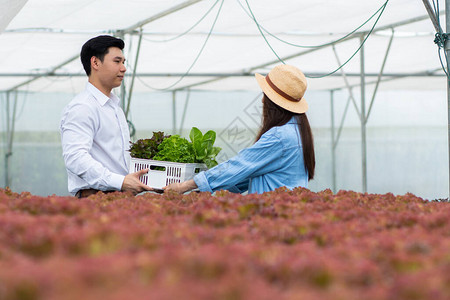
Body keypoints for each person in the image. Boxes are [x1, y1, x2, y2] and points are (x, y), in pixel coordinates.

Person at [164, 64, 315, 194]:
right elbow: (250, 174)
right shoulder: (298, 130)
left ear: (271, 102)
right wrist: (205, 188)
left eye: (265, 95)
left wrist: (184, 186)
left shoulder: (280, 137)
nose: (262, 100)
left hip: (274, 216)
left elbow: (240, 165)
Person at [60, 35, 152, 198]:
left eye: (123, 62)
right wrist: (120, 182)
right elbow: (76, 159)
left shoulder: (113, 107)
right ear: (95, 63)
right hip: (97, 198)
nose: (123, 68)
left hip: (120, 197)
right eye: (117, 61)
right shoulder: (83, 107)